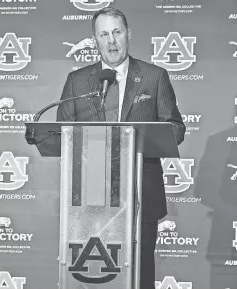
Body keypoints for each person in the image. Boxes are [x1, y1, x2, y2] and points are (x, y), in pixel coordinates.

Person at [57, 7, 186, 289]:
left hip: (141, 192)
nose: (111, 40)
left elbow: (175, 129)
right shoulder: (77, 81)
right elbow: (62, 133)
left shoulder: (154, 76)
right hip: (89, 197)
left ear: (128, 34)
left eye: (117, 32)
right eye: (104, 34)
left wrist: (139, 139)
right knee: (93, 276)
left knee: (140, 272)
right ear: (95, 40)